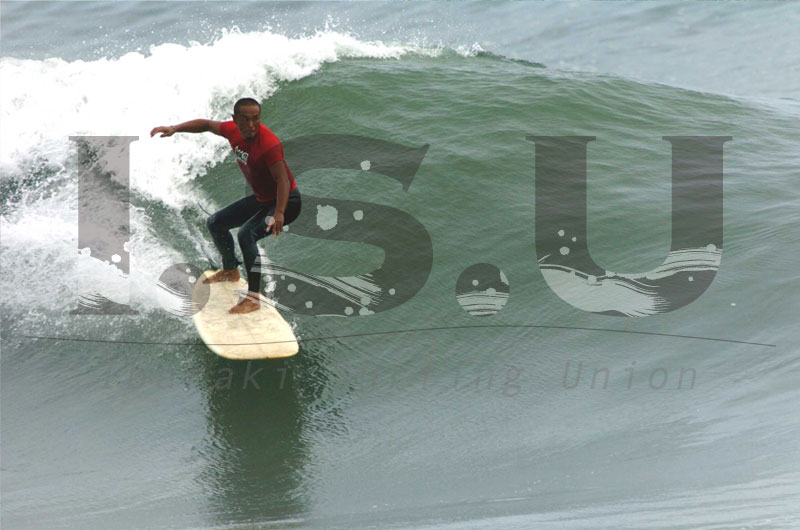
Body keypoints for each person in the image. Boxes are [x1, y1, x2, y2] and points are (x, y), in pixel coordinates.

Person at [150, 97, 301, 314]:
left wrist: (279, 212)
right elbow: (206, 125)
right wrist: (175, 128)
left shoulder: (269, 145)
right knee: (216, 223)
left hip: (287, 202)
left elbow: (283, 181)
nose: (251, 125)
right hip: (263, 198)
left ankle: (254, 298)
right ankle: (231, 271)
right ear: (235, 119)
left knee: (247, 235)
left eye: (256, 119)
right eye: (245, 119)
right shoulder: (231, 130)